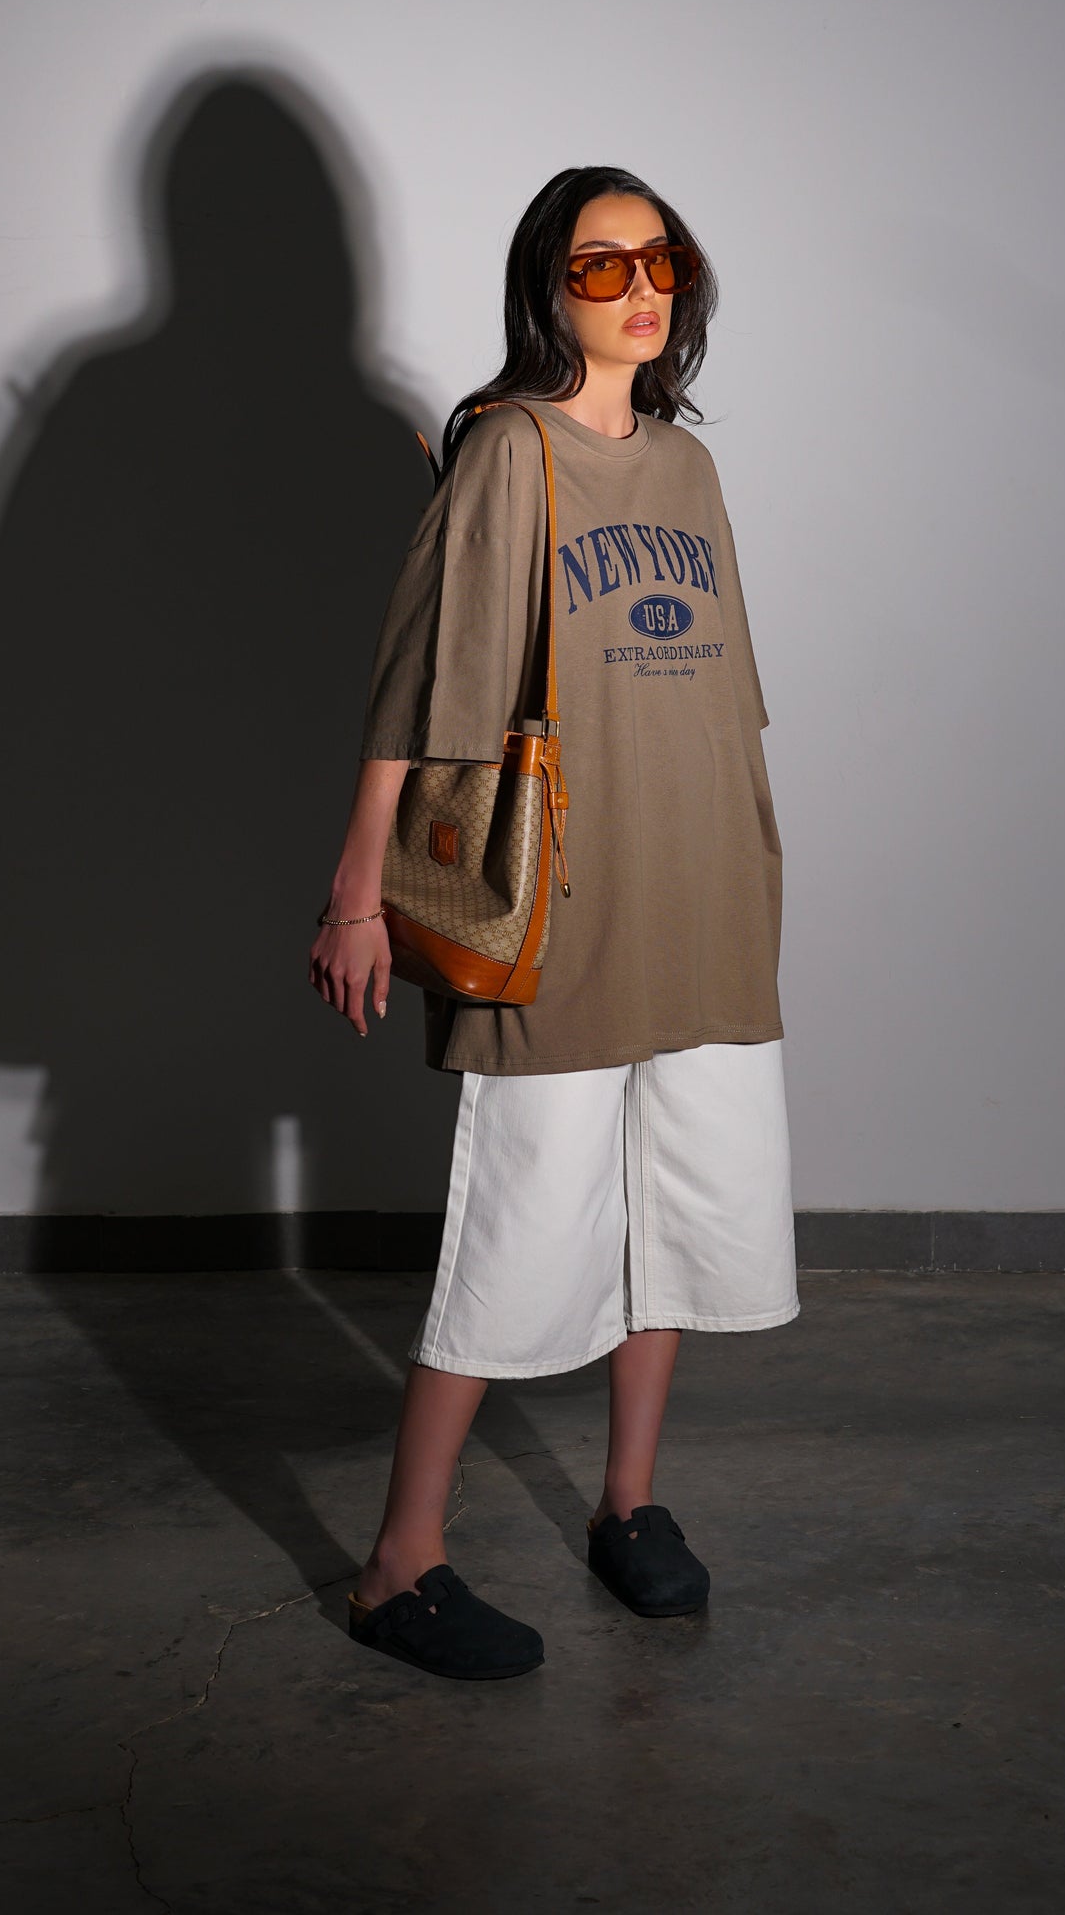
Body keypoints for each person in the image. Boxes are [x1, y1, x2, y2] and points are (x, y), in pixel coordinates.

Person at [307, 165, 798, 1680]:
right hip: (564, 912)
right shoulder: (509, 451)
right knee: (517, 1234)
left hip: (700, 901)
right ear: (548, 288)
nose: (639, 289)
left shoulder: (688, 468)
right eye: (600, 265)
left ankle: (629, 1504)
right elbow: (423, 678)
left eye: (661, 259)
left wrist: (757, 875)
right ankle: (400, 1562)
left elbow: (728, 700)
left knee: (676, 1224)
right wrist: (357, 893)